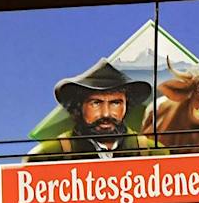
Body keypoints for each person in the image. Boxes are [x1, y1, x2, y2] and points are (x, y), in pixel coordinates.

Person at [29, 60, 158, 161]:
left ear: (126, 105)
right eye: (96, 103)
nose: (106, 113)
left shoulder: (153, 153)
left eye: (115, 103)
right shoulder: (48, 156)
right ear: (79, 106)